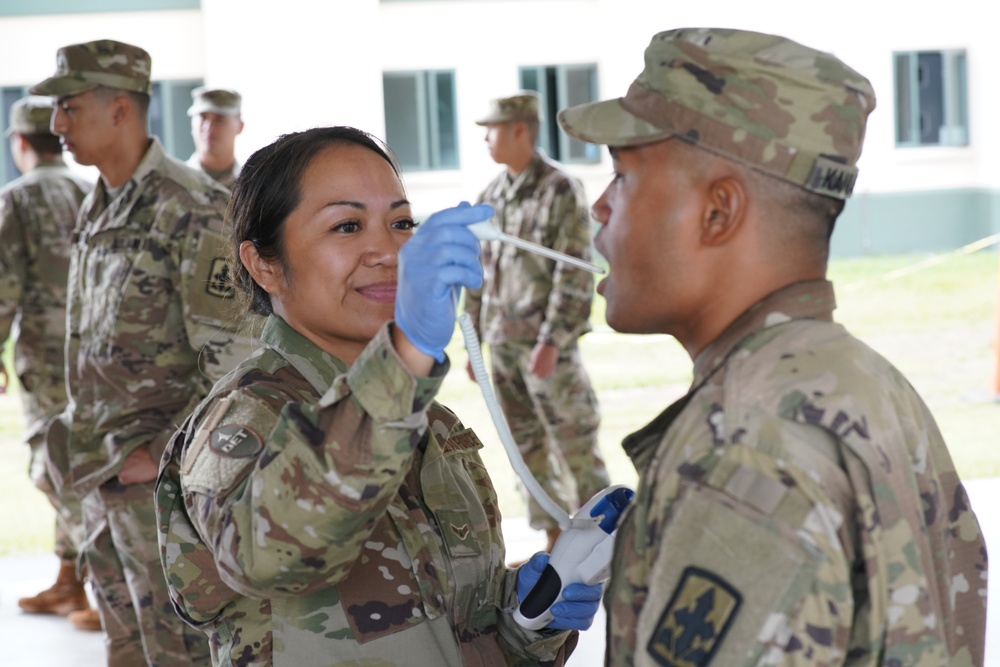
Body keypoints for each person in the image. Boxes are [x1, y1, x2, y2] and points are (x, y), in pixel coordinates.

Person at [556, 27, 988, 665]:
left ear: (718, 211)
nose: (599, 207)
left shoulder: (745, 445)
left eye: (621, 175)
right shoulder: (861, 380)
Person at [155, 125, 601, 666]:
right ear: (264, 265)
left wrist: (528, 617)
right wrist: (407, 351)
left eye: (401, 222)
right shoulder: (244, 418)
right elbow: (271, 557)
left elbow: (451, 631)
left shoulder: (427, 420)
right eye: (347, 226)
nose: (387, 251)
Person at [30, 39, 255, 665]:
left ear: (121, 110)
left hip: (157, 485)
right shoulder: (97, 204)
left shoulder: (190, 208)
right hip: (99, 477)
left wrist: (158, 455)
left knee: (176, 653)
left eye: (70, 108)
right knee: (125, 649)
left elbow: (236, 364)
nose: (56, 126)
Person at [465, 91, 609, 552]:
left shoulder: (559, 189)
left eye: (493, 129)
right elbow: (476, 274)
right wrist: (473, 343)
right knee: (524, 448)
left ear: (521, 130)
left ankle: (606, 543)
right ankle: (554, 542)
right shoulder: (490, 196)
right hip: (502, 346)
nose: (486, 139)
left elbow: (573, 269)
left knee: (574, 442)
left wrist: (553, 339)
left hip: (547, 348)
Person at [0, 95, 94, 623]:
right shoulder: (90, 191)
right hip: (95, 358)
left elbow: (3, 286)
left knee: (53, 468)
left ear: (19, 143)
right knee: (77, 463)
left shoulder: (16, 200)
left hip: (46, 358)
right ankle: (70, 581)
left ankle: (108, 582)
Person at [185, 86, 243, 189]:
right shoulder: (177, 181)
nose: (209, 127)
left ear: (240, 126)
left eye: (219, 118)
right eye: (202, 117)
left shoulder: (249, 184)